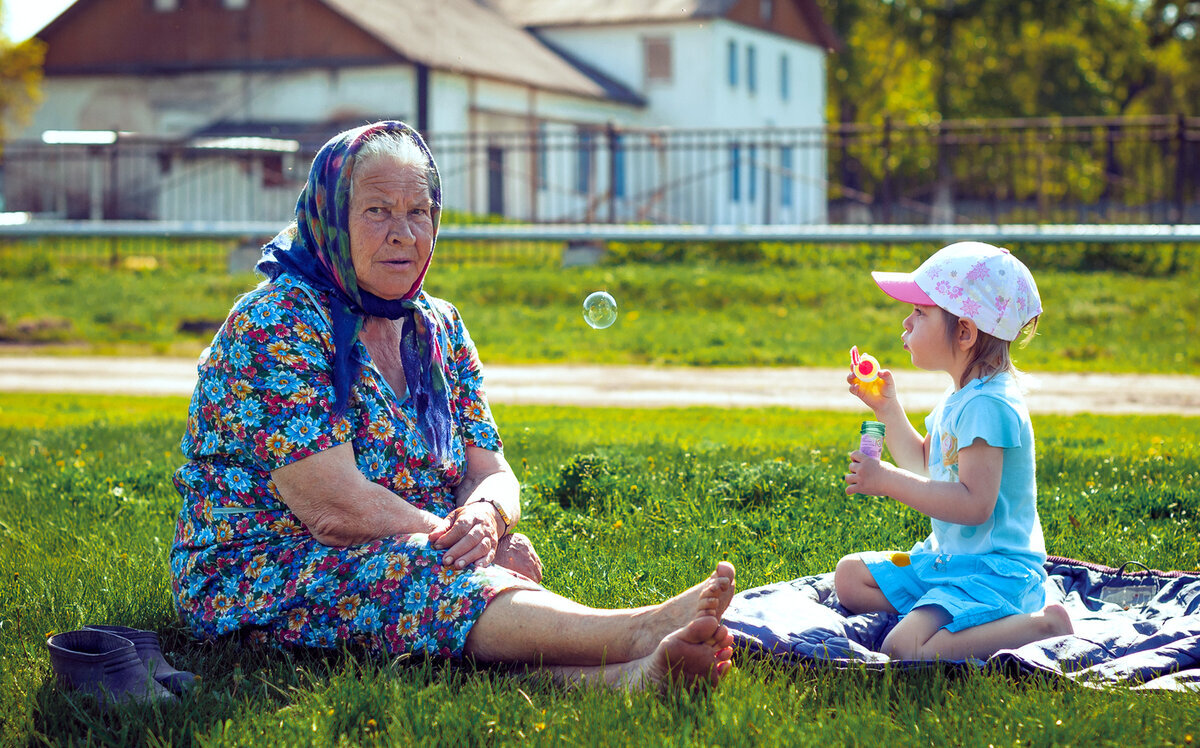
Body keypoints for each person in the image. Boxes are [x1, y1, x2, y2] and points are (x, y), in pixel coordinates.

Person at [169, 120, 736, 689]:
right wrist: (466, 547)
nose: (403, 233)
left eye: (419, 211)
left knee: (439, 565)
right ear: (330, 218)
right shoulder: (276, 321)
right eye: (376, 211)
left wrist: (487, 519)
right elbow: (334, 509)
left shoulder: (437, 324)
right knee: (425, 569)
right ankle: (638, 631)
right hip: (265, 569)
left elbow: (490, 469)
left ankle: (629, 679)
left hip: (407, 545)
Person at [834, 241, 1073, 661]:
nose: (906, 322)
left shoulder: (988, 405)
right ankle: (951, 618)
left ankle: (1041, 626)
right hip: (951, 561)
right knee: (849, 578)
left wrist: (887, 480)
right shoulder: (962, 393)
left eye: (920, 313)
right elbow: (928, 465)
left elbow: (973, 504)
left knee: (903, 647)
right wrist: (888, 408)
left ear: (964, 332)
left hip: (994, 573)